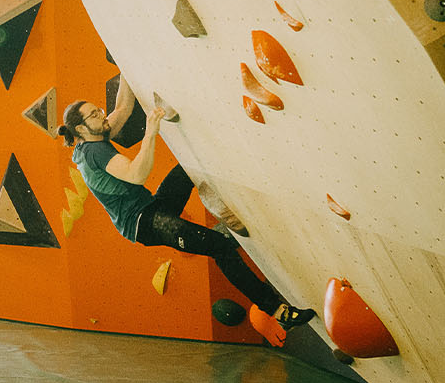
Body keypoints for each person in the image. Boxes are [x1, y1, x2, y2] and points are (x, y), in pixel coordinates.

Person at [56, 81, 315, 338]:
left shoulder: (94, 136)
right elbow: (136, 175)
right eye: (94, 114)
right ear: (81, 128)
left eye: (98, 110)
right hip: (145, 223)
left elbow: (122, 108)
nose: (102, 115)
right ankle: (280, 312)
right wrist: (150, 132)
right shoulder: (94, 153)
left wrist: (123, 67)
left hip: (151, 207)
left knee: (188, 168)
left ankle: (225, 215)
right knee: (219, 248)